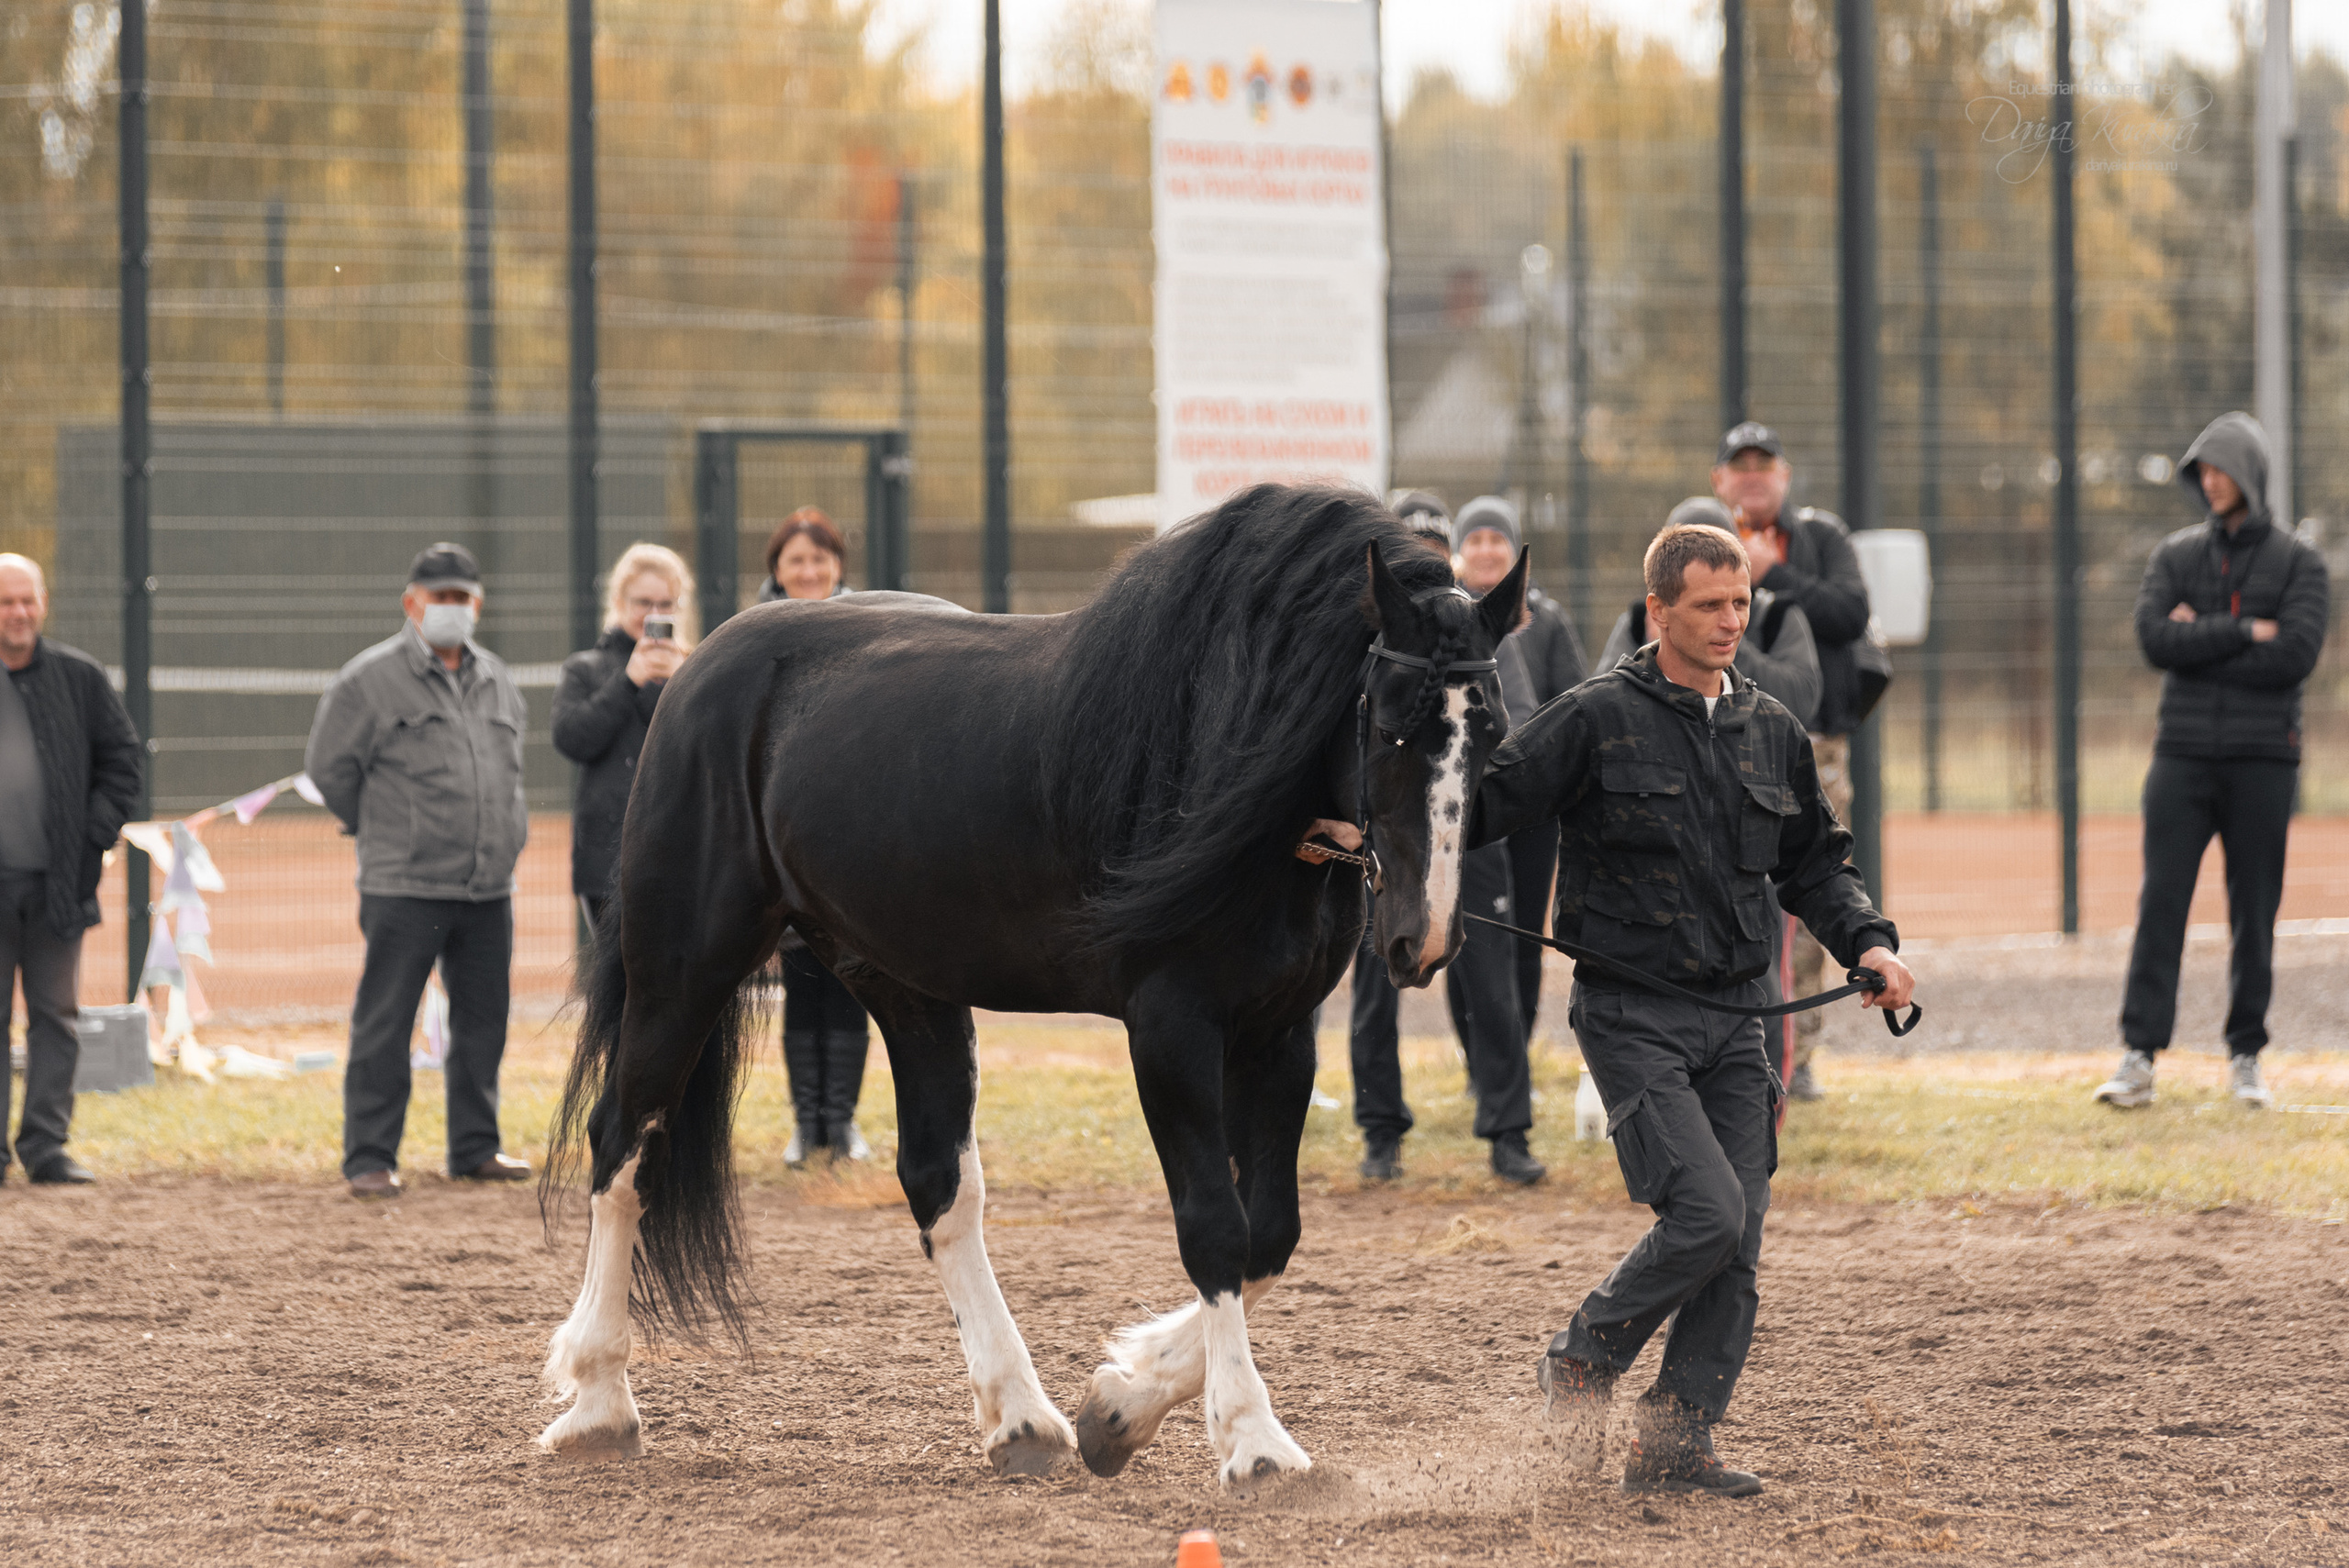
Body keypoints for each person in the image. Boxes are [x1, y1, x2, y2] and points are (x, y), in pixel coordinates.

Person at [1471, 520, 1912, 1497]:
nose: (1729, 623)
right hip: (1633, 1012)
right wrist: (1358, 830)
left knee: (1738, 1241)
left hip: (1744, 1015)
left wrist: (1870, 944)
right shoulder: (1590, 718)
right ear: (1656, 608)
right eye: (1709, 605)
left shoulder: (1771, 729)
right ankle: (1582, 1356)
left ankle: (1675, 1442)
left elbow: (1816, 865)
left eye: (1740, 605)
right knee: (1706, 1211)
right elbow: (1478, 803)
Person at [2097, 413, 2329, 1111]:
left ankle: (2246, 1055)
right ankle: (2139, 1056)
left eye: (2223, 468)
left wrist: (2204, 633)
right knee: (2160, 902)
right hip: (2182, 757)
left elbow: (2295, 654)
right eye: (2203, 470)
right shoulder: (2174, 556)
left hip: (2265, 759)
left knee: (2254, 910)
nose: (2212, 480)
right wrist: (2243, 632)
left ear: (2251, 475)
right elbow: (2153, 639)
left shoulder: (2300, 562)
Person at [305, 543, 532, 1199]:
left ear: (478, 605)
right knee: (386, 1019)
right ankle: (370, 1156)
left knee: (484, 1021)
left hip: (488, 885)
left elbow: (507, 770)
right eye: (440, 597)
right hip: (404, 884)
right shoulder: (368, 679)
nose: (452, 608)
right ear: (412, 602)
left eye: (463, 597)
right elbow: (330, 772)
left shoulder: (497, 677)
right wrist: (383, 828)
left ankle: (475, 1146)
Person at [1349, 493, 1543, 1187]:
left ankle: (1507, 1131)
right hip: (1394, 835)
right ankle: (1379, 1129)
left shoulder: (1478, 631)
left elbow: (1505, 721)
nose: (1427, 562)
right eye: (1415, 550)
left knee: (1492, 983)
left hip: (1471, 830)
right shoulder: (1381, 641)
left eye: (1437, 549)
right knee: (1375, 982)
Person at [1600, 498, 1826, 1089]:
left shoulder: (1776, 619)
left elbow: (1803, 698)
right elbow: (1600, 704)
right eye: (1705, 593)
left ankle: (1780, 1080)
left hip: (1753, 835)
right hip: (1660, 852)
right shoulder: (1638, 620)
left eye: (1736, 593)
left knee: (1765, 977)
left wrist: (1721, 640)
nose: (1729, 610)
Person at [1712, 422, 1872, 1102]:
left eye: (1764, 464)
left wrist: (1777, 574)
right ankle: (1731, 1044)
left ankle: (1798, 1051)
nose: (1753, 476)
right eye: (1739, 466)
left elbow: (1852, 610)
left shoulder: (1821, 538)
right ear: (1720, 480)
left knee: (1810, 893)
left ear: (1784, 474)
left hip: (1813, 739)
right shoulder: (1702, 536)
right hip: (1719, 738)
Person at [0, 553, 142, 1186]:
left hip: (58, 884)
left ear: (44, 603)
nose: (18, 613)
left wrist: (92, 837)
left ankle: (47, 1146)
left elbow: (122, 763)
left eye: (27, 600)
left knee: (56, 1015)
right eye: (6, 602)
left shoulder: (80, 679)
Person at [1453, 495, 1589, 1045]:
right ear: (1459, 551)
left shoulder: (1546, 622)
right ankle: (1478, 1061)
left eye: (1497, 539)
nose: (1487, 550)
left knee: (1524, 928)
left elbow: (1570, 704)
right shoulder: (1443, 615)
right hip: (1466, 808)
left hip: (1532, 811)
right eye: (1476, 539)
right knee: (1466, 928)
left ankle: (1517, 1046)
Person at [759, 508, 873, 1163]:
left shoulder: (870, 631)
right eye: (796, 560)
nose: (809, 570)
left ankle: (844, 1122)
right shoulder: (751, 640)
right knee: (802, 985)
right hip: (784, 845)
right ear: (776, 570)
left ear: (838, 567)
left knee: (855, 985)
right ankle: (808, 1124)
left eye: (820, 559)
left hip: (850, 844)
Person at [553, 543, 697, 928]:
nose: (655, 614)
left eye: (667, 604)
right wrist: (629, 681)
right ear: (619, 601)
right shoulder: (585, 668)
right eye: (643, 602)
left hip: (684, 853)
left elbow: (705, 749)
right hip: (605, 860)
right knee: (616, 981)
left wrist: (673, 683)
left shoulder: (696, 670)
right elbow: (572, 738)